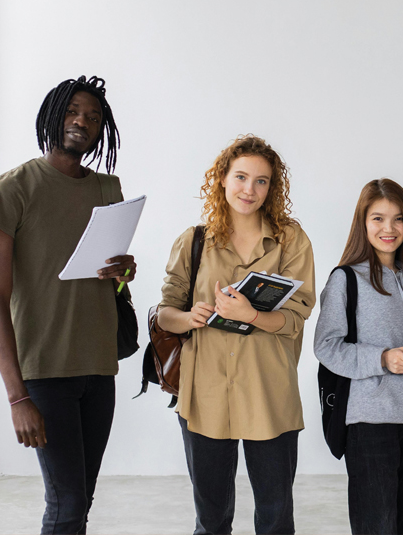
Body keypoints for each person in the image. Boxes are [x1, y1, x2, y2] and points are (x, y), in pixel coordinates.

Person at [0, 75, 136, 533]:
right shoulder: (13, 189)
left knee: (78, 501)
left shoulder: (109, 189)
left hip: (98, 367)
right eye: (72, 111)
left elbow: (114, 283)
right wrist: (16, 396)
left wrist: (124, 272)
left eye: (93, 116)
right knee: (65, 505)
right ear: (52, 115)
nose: (81, 122)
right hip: (44, 372)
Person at [157, 135, 315, 535]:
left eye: (261, 181)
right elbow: (164, 314)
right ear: (222, 179)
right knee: (210, 522)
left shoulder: (291, 240)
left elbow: (297, 317)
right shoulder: (192, 241)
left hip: (268, 392)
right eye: (241, 177)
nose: (250, 189)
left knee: (276, 519)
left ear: (272, 189)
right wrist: (190, 316)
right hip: (204, 394)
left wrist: (251, 316)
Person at [314, 178, 403, 535]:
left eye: (398, 219)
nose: (388, 229)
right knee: (376, 528)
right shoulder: (345, 280)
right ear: (363, 223)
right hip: (371, 422)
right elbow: (326, 346)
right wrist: (382, 358)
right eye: (378, 218)